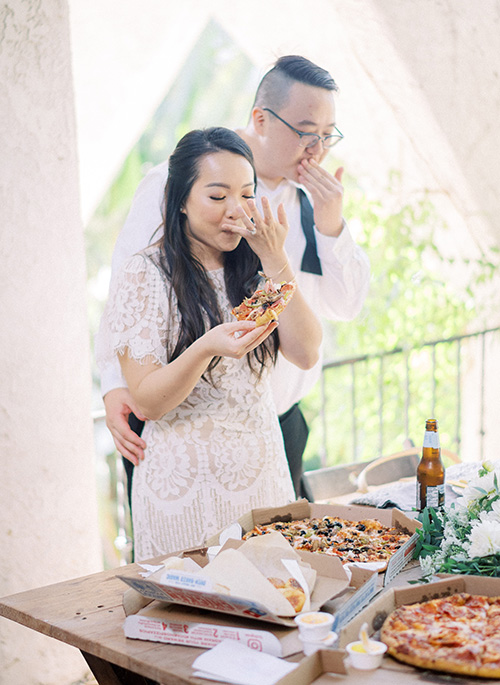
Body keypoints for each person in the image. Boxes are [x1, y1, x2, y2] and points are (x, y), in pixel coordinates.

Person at [100, 55, 370, 501]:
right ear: (261, 119)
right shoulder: (177, 180)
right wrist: (115, 385)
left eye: (327, 136)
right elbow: (127, 292)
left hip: (276, 423)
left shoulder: (312, 203)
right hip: (182, 433)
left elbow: (345, 305)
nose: (317, 150)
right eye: (306, 133)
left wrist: (331, 224)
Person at [96, 127, 322, 559]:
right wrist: (204, 348)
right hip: (184, 490)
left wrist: (276, 259)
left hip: (263, 482)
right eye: (217, 197)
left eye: (246, 194)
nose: (235, 210)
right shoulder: (145, 275)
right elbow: (148, 403)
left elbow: (307, 351)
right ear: (181, 200)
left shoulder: (257, 265)